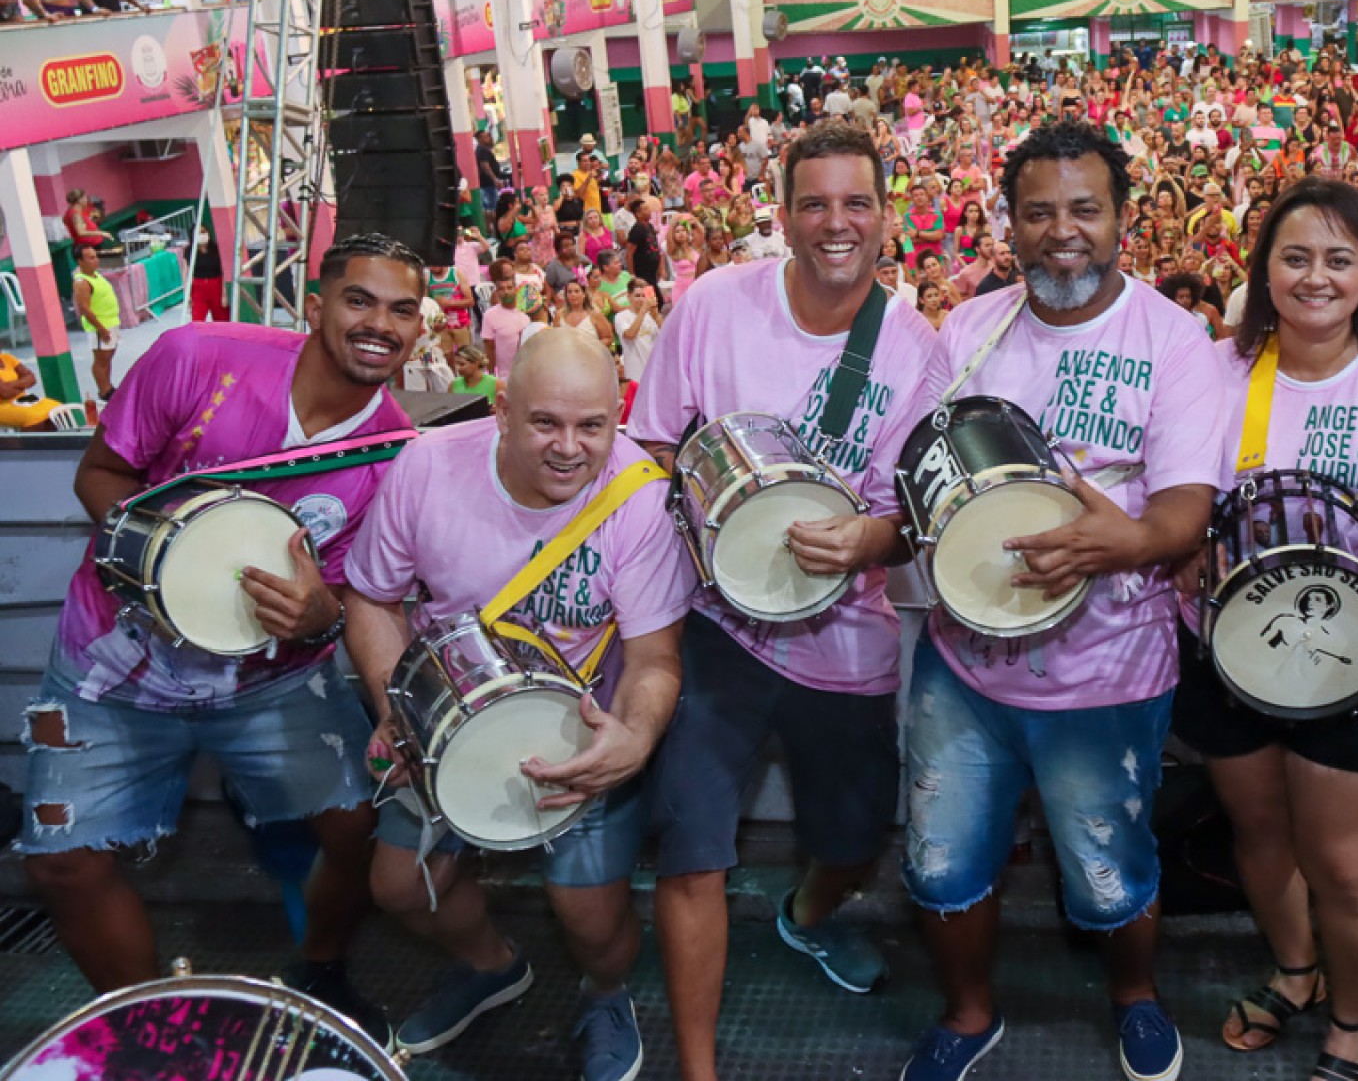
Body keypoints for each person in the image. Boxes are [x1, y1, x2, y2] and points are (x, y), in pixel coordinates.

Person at [19, 235, 426, 1046]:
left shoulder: (396, 457)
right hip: (110, 666)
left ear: (420, 329)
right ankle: (152, 1027)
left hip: (273, 683)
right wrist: (173, 555)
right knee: (60, 860)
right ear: (315, 307)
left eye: (402, 309)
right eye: (359, 300)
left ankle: (320, 969)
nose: (379, 323)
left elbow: (356, 593)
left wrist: (325, 619)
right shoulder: (195, 356)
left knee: (360, 828)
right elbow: (97, 474)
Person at [897, 120, 1225, 1081]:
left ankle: (1134, 994)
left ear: (1124, 220)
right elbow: (915, 471)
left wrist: (1108, 543)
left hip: (1108, 672)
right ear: (1010, 222)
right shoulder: (970, 330)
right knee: (941, 859)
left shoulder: (1173, 340)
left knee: (1111, 864)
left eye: (1085, 209)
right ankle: (968, 1013)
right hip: (964, 662)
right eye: (1037, 212)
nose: (1061, 231)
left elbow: (1184, 516)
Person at [629, 122, 937, 1081]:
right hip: (715, 632)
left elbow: (911, 517)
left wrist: (867, 541)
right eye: (814, 202)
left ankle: (805, 917)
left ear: (887, 217)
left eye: (855, 203)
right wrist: (693, 532)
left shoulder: (915, 349)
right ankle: (696, 1068)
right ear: (783, 212)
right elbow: (647, 449)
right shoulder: (717, 303)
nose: (834, 223)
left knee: (853, 839)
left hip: (845, 641)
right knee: (691, 848)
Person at [345, 328, 693, 1081]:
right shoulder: (429, 466)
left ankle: (604, 993)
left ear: (618, 415)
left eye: (592, 426)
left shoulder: (638, 495)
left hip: (578, 729)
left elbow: (655, 658)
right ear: (501, 411)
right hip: (445, 724)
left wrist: (631, 739)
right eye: (545, 423)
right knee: (400, 887)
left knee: (590, 918)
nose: (569, 448)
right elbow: (372, 599)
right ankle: (491, 965)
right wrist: (395, 709)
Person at [1176, 179, 1358, 1078]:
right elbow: (1174, 503)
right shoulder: (1212, 373)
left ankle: (1350, 1025)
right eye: (1295, 257)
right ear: (1263, 269)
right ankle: (1296, 970)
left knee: (1346, 871)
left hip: (1357, 666)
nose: (1315, 278)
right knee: (1259, 834)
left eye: (1339, 259)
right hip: (1228, 656)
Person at [72, 245, 120, 400]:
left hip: (111, 321)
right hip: (100, 326)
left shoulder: (96, 275)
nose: (96, 261)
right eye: (91, 258)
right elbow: (84, 308)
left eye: (96, 257)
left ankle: (109, 385)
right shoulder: (81, 282)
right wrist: (101, 329)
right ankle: (104, 391)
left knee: (108, 356)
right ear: (80, 261)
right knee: (101, 359)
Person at [0, 349, 62, 431]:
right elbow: (5, 393)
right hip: (3, 405)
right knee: (32, 416)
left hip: (22, 399)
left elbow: (32, 378)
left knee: (57, 407)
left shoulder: (7, 358)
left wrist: (9, 385)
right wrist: (23, 384)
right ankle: (29, 443)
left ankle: (51, 441)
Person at [448, 341, 497, 407]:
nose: (458, 368)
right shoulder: (453, 385)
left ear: (476, 363)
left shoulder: (496, 383)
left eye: (462, 364)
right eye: (456, 364)